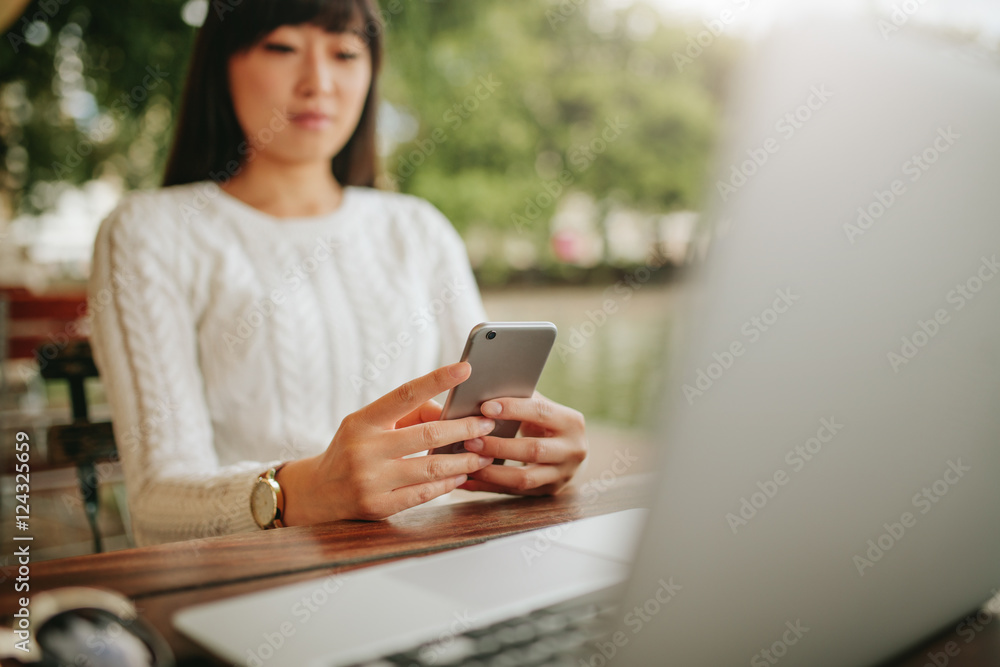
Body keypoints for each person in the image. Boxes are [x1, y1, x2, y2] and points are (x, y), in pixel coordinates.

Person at [87, 0, 587, 546]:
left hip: (426, 560)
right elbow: (157, 505)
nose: (318, 82)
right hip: (250, 586)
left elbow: (481, 420)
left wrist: (531, 457)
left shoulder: (417, 228)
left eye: (345, 53)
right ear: (221, 63)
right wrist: (305, 491)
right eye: (282, 47)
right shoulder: (149, 232)